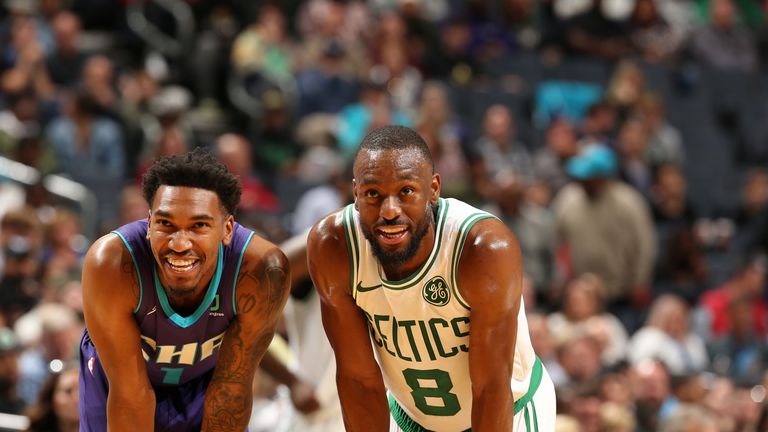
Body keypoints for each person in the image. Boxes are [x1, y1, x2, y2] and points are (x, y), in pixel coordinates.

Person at [307, 125, 556, 431]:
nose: (389, 211)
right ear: (355, 194)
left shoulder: (482, 249)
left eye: (406, 191)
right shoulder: (334, 245)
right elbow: (359, 379)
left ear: (434, 189)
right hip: (411, 416)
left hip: (509, 410)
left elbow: (490, 387)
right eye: (374, 194)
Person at [78, 148, 291, 431]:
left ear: (227, 229)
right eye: (166, 224)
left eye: (199, 226)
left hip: (208, 380)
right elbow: (131, 397)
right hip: (117, 380)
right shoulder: (112, 262)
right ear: (150, 223)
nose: (180, 244)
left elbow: (232, 390)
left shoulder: (262, 269)